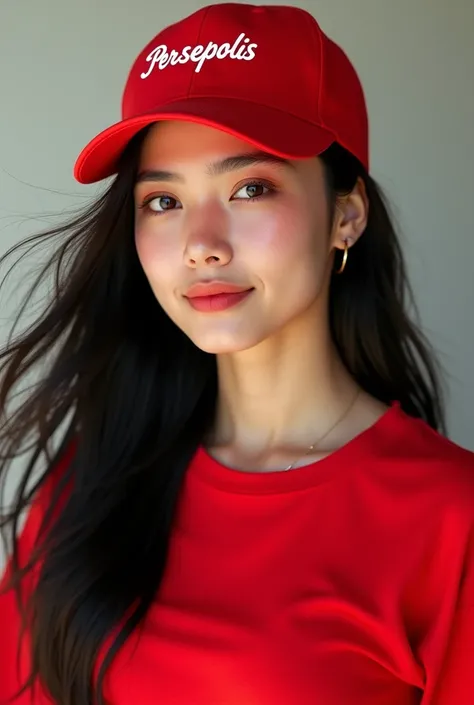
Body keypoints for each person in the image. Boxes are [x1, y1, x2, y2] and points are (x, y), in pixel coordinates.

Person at [0, 3, 473, 704]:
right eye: (162, 201)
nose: (201, 242)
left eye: (251, 187)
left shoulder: (450, 519)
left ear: (348, 214)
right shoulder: (89, 480)